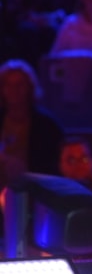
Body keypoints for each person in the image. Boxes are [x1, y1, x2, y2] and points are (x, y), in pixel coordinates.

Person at [0, 59, 63, 189]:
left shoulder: (47, 126)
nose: (14, 91)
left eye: (20, 84)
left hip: (35, 190)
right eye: (8, 85)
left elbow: (52, 168)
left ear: (30, 87)